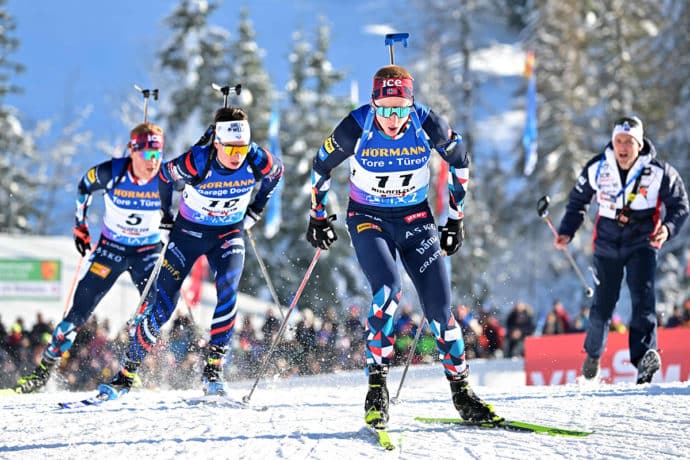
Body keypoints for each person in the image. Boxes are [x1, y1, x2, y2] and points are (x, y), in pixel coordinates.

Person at [305, 64, 501, 429]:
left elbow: (461, 162)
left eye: (400, 108)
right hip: (368, 219)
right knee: (387, 292)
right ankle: (377, 387)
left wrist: (456, 218)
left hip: (415, 219)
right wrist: (318, 215)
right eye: (385, 108)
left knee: (441, 311)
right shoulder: (355, 127)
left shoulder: (429, 125)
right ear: (373, 104)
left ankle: (462, 393)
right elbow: (319, 166)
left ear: (411, 106)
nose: (393, 117)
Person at [100, 106, 283, 398]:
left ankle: (214, 370)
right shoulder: (197, 161)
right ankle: (126, 373)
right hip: (188, 236)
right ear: (218, 143)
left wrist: (257, 209)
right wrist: (165, 217)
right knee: (163, 307)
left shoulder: (257, 158)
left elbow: (276, 174)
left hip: (228, 234)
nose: (237, 155)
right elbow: (163, 178)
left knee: (228, 292)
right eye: (230, 148)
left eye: (242, 147)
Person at [10, 122, 165, 393]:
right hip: (110, 251)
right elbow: (84, 187)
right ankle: (42, 373)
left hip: (147, 253)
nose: (153, 162)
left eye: (158, 154)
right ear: (133, 151)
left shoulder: (166, 176)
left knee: (152, 310)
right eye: (147, 154)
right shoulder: (111, 172)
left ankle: (130, 372)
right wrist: (80, 227)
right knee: (74, 318)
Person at [555, 115, 688, 384]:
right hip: (606, 244)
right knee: (602, 306)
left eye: (629, 141)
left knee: (644, 300)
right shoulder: (597, 166)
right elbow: (578, 200)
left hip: (642, 243)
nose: (623, 147)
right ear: (613, 142)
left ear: (640, 144)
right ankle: (593, 354)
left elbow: (680, 205)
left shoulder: (659, 171)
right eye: (619, 141)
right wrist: (567, 231)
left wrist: (668, 229)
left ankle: (644, 360)